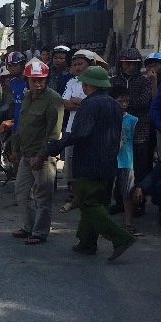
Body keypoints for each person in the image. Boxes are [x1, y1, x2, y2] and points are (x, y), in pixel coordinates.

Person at [47, 66, 135, 262]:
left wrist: (55, 146)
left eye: (84, 84)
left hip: (90, 162)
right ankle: (87, 242)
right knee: (98, 203)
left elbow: (80, 133)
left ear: (89, 85)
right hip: (109, 162)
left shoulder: (90, 105)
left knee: (88, 204)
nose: (83, 87)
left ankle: (121, 238)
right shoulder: (114, 105)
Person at [8, 60, 63, 244]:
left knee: (43, 197)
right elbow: (20, 124)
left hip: (43, 157)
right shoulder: (26, 96)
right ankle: (28, 226)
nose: (38, 84)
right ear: (27, 80)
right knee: (22, 192)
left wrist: (41, 156)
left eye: (41, 80)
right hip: (25, 154)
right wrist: (15, 148)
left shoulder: (53, 99)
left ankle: (40, 232)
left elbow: (53, 133)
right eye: (34, 80)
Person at [110, 48, 152, 187]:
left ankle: (139, 196)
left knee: (140, 167)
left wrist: (121, 102)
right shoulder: (112, 81)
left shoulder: (144, 82)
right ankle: (120, 196)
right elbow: (108, 102)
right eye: (127, 63)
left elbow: (144, 102)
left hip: (140, 131)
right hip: (117, 132)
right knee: (118, 166)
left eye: (135, 64)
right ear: (120, 64)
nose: (131, 67)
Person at [60, 50, 94, 210]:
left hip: (92, 130)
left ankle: (87, 195)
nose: (78, 67)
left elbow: (95, 103)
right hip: (72, 128)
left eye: (81, 64)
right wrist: (84, 103)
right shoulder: (71, 82)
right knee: (71, 162)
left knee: (88, 162)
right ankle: (75, 195)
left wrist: (77, 101)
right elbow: (64, 103)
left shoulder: (97, 82)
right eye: (75, 64)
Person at [107, 86, 138, 232]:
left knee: (127, 193)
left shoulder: (132, 120)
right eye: (121, 101)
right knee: (107, 191)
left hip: (126, 160)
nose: (124, 104)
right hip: (110, 159)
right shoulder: (107, 118)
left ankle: (129, 221)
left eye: (126, 101)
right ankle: (104, 221)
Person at [5, 52, 27, 129]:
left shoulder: (30, 82)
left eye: (15, 65)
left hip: (28, 125)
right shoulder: (11, 83)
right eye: (9, 66)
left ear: (22, 65)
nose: (12, 69)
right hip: (14, 125)